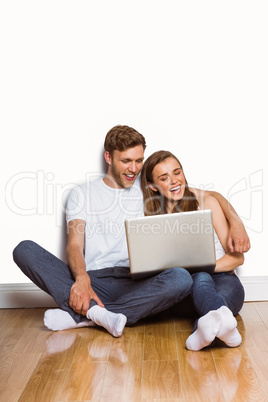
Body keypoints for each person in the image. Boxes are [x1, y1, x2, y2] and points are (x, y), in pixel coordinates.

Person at [13, 125, 249, 338]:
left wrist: (236, 222)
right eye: (126, 161)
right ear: (108, 157)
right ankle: (103, 312)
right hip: (96, 279)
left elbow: (204, 195)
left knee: (180, 277)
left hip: (138, 281)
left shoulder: (149, 189)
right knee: (25, 250)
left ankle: (89, 317)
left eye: (139, 161)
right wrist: (82, 278)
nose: (133, 168)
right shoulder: (81, 194)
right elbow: (74, 245)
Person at [140, 150, 246, 350]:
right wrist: (197, 272)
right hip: (185, 292)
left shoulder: (207, 202)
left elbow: (237, 259)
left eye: (177, 172)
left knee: (207, 283)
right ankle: (223, 327)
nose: (174, 181)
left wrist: (204, 267)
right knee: (200, 278)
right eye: (164, 178)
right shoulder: (150, 217)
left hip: (225, 280)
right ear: (152, 186)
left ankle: (202, 331)